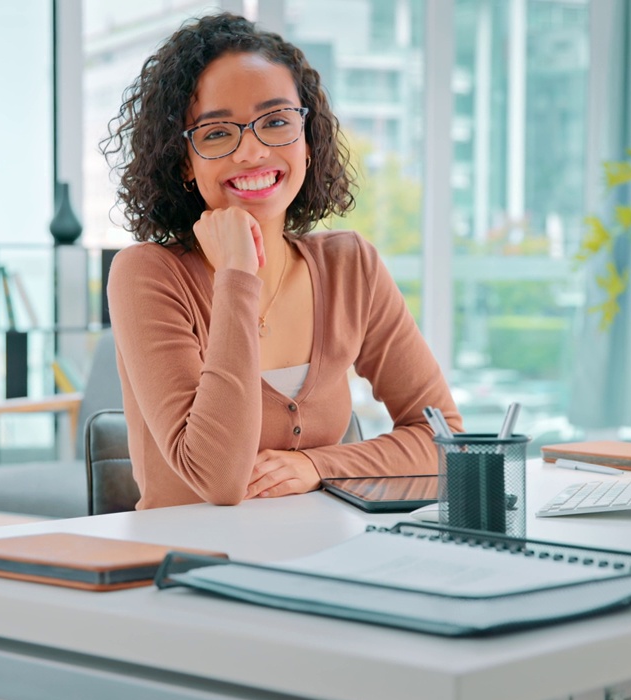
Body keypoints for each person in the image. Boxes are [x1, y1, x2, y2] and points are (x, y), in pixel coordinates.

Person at [102, 12, 461, 510]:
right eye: (217, 132)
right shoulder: (147, 274)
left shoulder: (349, 266)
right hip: (188, 568)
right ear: (184, 161)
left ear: (308, 143)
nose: (252, 151)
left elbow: (445, 440)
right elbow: (218, 479)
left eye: (275, 122)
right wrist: (235, 278)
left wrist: (318, 465)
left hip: (324, 560)